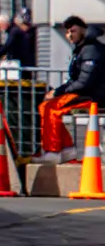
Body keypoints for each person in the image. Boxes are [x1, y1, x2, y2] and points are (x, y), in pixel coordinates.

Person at [37, 15, 105, 157]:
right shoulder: (83, 48)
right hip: (88, 93)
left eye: (73, 31)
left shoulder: (91, 50)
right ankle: (65, 148)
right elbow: (77, 80)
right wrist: (59, 91)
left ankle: (55, 150)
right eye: (67, 32)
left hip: (94, 95)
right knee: (47, 106)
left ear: (84, 30)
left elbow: (84, 82)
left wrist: (58, 92)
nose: (69, 35)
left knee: (51, 108)